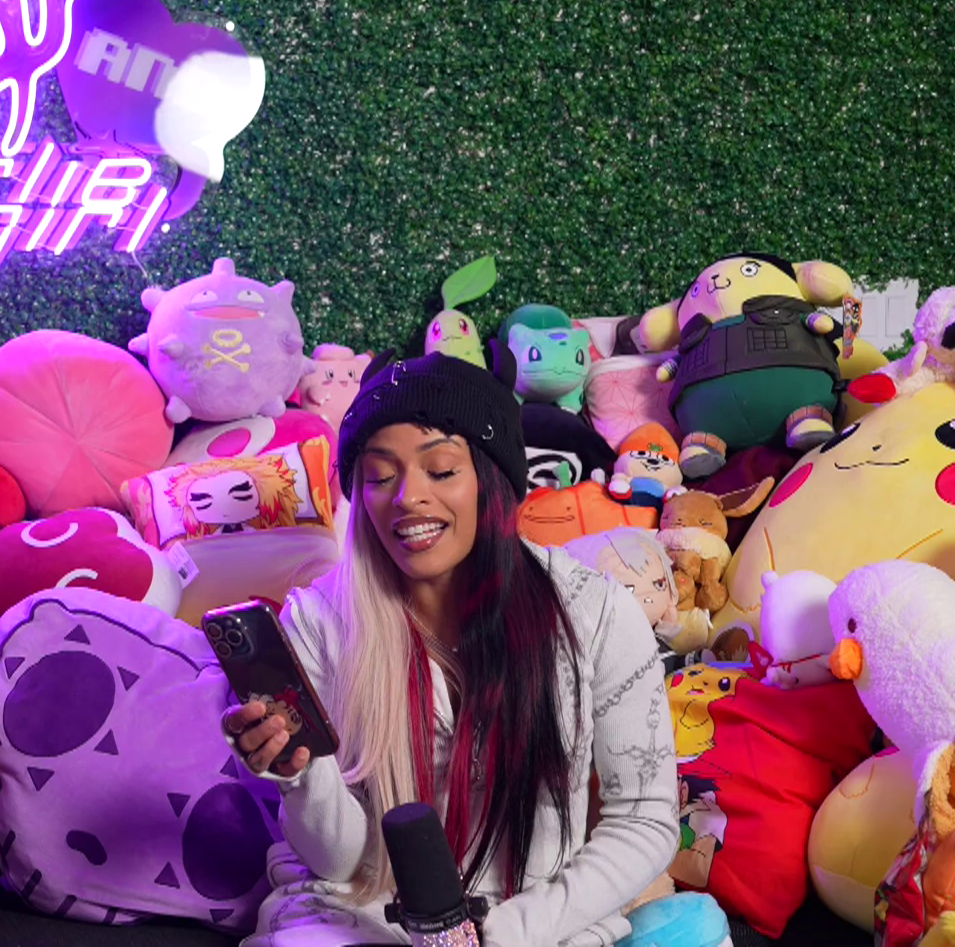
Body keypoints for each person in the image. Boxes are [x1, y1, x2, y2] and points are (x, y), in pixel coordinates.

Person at [222, 354, 679, 946]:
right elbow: (340, 863)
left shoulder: (596, 614)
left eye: (440, 470)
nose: (408, 497)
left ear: (492, 480)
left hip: (537, 920)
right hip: (364, 912)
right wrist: (300, 776)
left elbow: (644, 819)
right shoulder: (319, 621)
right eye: (379, 476)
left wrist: (507, 933)